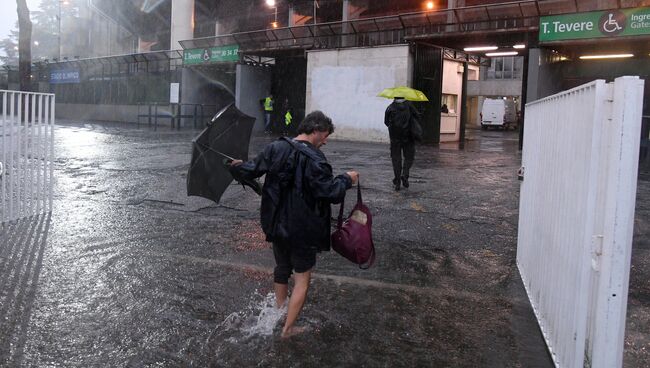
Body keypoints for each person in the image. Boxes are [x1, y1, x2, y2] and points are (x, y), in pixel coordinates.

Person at [230, 111, 359, 338]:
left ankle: (280, 312)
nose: (326, 141)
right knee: (302, 279)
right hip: (303, 229)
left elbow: (251, 169)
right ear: (316, 130)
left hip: (276, 223)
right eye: (325, 135)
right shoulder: (316, 159)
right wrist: (347, 179)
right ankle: (288, 329)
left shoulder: (276, 147)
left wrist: (236, 166)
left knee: (281, 268)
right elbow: (330, 193)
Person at [384, 97, 419, 191]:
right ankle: (405, 174)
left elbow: (386, 122)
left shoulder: (390, 107)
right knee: (409, 157)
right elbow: (417, 116)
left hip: (395, 138)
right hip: (408, 137)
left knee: (396, 159)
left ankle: (398, 181)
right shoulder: (409, 105)